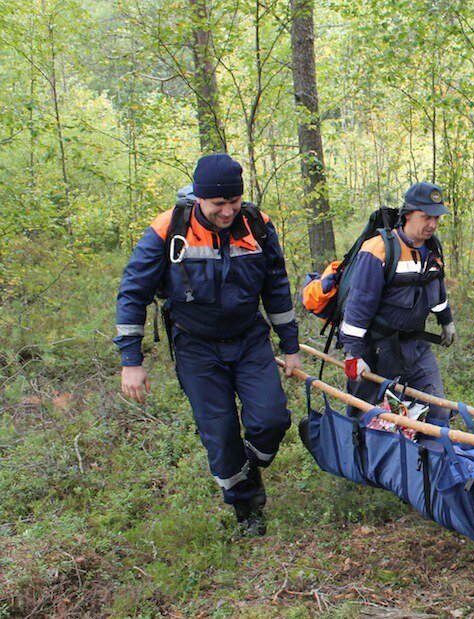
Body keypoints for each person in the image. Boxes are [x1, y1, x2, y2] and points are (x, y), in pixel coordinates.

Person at [115, 154, 300, 537]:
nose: (227, 211)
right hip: (196, 346)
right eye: (219, 204)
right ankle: (246, 507)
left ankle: (251, 462)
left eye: (234, 202)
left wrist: (291, 345)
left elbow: (276, 287)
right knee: (220, 432)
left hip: (249, 339)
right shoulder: (169, 230)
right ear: (199, 198)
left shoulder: (258, 226)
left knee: (272, 420)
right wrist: (131, 360)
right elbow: (133, 293)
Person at [337, 182, 455, 425]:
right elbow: (358, 307)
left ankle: (429, 460)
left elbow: (437, 290)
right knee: (367, 417)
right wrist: (353, 355)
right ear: (408, 214)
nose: (432, 224)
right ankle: (359, 458)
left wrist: (446, 322)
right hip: (377, 349)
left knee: (438, 411)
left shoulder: (433, 249)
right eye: (426, 217)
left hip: (416, 347)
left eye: (437, 218)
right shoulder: (379, 250)